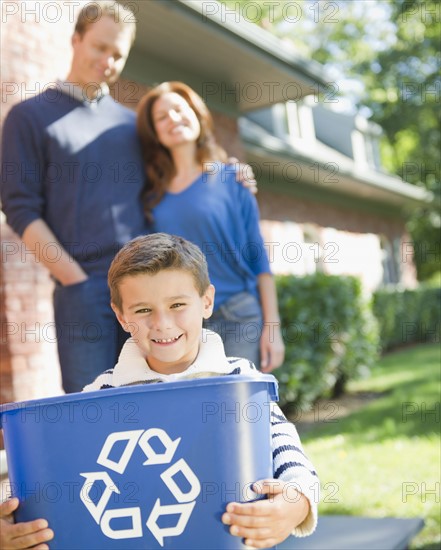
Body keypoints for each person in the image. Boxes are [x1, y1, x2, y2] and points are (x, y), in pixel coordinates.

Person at [0, 2, 255, 393]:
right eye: (100, 47)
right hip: (81, 289)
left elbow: (177, 169)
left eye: (118, 54)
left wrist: (229, 171)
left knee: (158, 394)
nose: (108, 60)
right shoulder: (29, 116)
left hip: (147, 288)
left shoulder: (130, 124)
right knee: (91, 405)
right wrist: (73, 278)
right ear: (76, 40)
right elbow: (19, 208)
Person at [83, 233, 318, 548]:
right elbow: (56, 468)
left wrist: (296, 501)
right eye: (142, 311)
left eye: (177, 304)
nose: (162, 323)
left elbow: (286, 449)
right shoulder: (100, 393)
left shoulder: (240, 380)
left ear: (206, 302)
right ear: (121, 316)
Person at [137, 82, 285, 372]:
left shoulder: (233, 179)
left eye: (179, 110)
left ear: (196, 115)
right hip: (179, 327)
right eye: (162, 117)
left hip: (237, 317)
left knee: (238, 412)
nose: (173, 119)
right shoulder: (152, 198)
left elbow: (259, 259)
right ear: (155, 133)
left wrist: (273, 328)